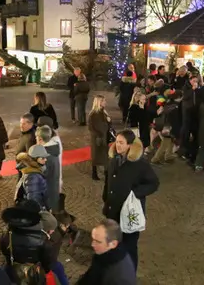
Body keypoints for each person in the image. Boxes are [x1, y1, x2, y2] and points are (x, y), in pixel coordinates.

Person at [104, 130, 159, 270]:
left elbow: (153, 183)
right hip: (113, 212)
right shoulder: (113, 160)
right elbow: (108, 182)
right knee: (114, 244)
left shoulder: (139, 164)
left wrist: (135, 193)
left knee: (129, 247)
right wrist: (106, 199)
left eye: (121, 143)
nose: (117, 145)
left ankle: (129, 273)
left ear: (130, 145)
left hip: (130, 213)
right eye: (117, 142)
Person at [0, 200, 51, 283]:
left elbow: (5, 251)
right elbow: (46, 261)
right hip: (35, 275)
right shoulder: (42, 239)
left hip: (15, 273)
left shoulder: (7, 235)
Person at [76, 219, 136, 285]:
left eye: (98, 242)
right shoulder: (103, 254)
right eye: (93, 239)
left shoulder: (119, 278)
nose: (92, 244)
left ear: (113, 244)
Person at [35, 126, 61, 211]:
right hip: (53, 187)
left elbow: (42, 174)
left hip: (48, 191)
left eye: (36, 138)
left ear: (40, 139)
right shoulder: (53, 149)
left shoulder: (45, 155)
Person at [88, 95, 111, 181]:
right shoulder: (93, 114)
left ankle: (106, 172)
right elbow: (90, 127)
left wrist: (109, 121)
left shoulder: (103, 112)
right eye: (104, 101)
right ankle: (94, 173)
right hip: (97, 138)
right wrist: (98, 134)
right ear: (99, 102)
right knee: (96, 156)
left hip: (104, 137)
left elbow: (107, 124)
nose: (105, 102)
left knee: (105, 155)